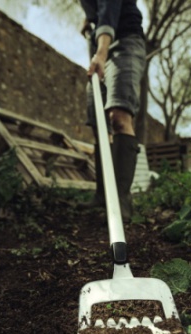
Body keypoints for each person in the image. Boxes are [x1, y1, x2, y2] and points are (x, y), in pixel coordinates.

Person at [78, 0, 146, 223]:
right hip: (101, 47)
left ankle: (121, 200)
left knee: (119, 116)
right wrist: (90, 19)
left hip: (124, 42)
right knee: (99, 123)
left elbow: (110, 6)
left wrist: (101, 51)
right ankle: (102, 196)